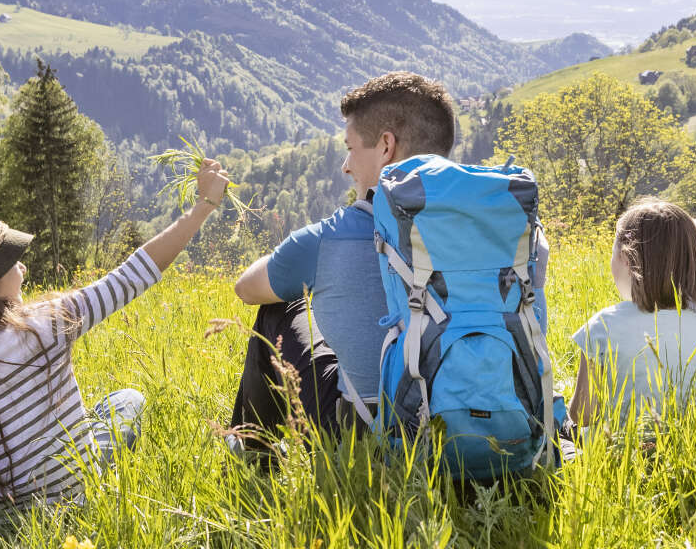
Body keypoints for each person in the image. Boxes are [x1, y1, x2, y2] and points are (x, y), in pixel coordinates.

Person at [0, 159, 230, 519]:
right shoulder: (44, 325)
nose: (21, 267)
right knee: (127, 400)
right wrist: (202, 207)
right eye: (7, 261)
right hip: (73, 500)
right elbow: (133, 275)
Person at [228, 71, 549, 453]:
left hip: (369, 434)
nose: (346, 165)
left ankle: (254, 456)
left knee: (277, 307)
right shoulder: (505, 228)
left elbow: (246, 288)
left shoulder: (331, 236)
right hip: (493, 417)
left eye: (351, 148)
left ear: (385, 146)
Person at [567, 199, 696, 429]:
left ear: (626, 259)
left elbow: (582, 414)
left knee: (555, 418)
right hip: (683, 452)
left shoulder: (603, 326)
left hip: (615, 454)